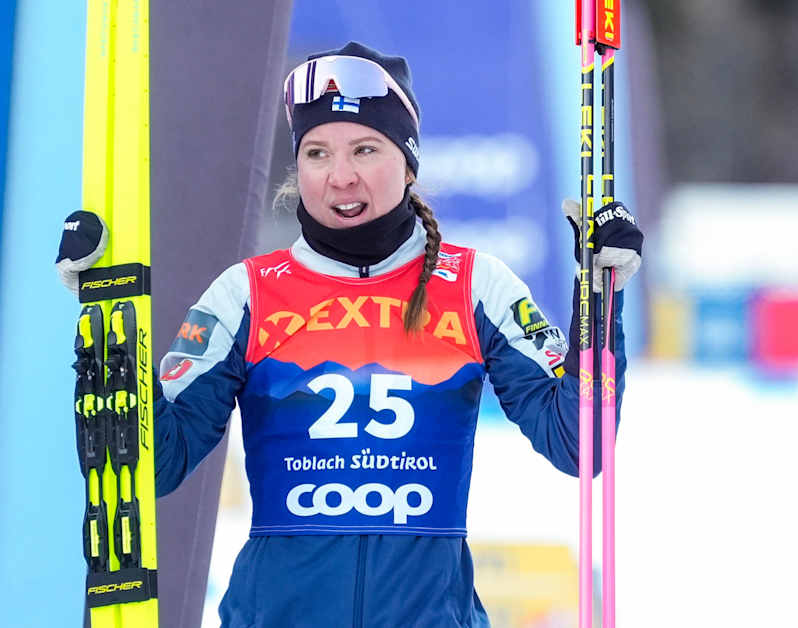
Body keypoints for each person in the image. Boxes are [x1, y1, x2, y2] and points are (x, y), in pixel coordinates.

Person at [56, 41, 643, 627]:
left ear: (409, 162)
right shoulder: (247, 295)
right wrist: (108, 321)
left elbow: (578, 444)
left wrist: (600, 292)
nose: (340, 177)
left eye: (365, 149)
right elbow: (155, 463)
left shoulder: (474, 285)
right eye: (316, 153)